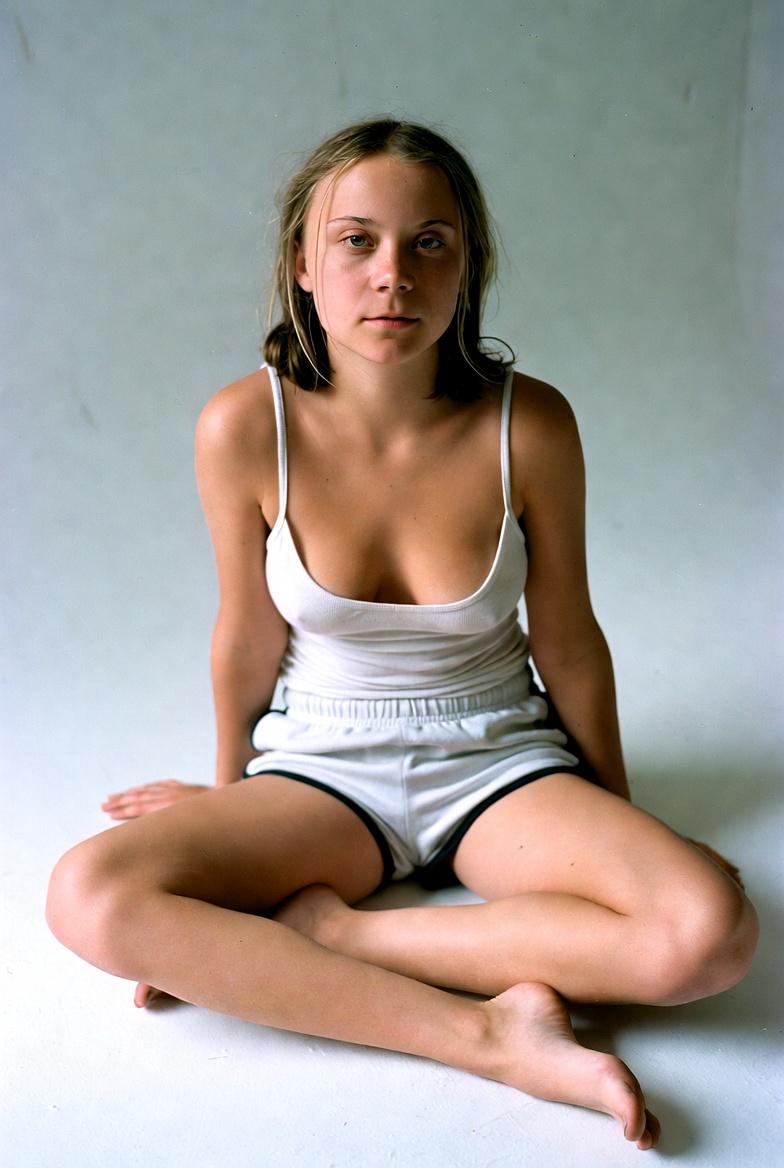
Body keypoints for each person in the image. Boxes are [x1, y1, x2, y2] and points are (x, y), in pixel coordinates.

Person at [46, 119, 758, 1152]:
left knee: (709, 934)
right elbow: (243, 635)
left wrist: (624, 828)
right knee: (88, 895)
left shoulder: (530, 425)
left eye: (430, 243)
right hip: (321, 766)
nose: (394, 275)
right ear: (303, 264)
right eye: (357, 241)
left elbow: (568, 639)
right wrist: (231, 803)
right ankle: (488, 1036)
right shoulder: (243, 427)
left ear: (467, 268)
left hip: (500, 760)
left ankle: (337, 934)